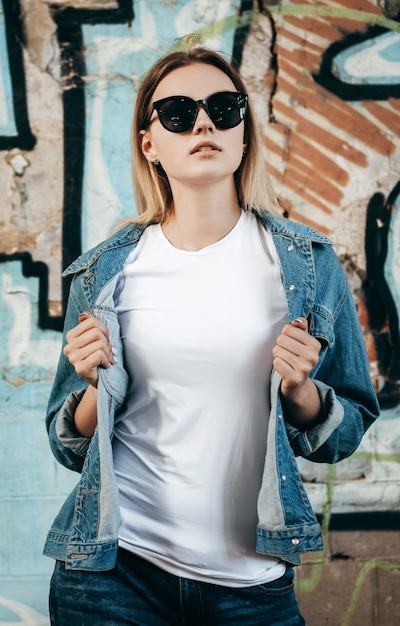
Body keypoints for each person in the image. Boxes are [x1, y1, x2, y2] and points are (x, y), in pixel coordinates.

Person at [44, 42, 379, 626]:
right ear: (149, 143)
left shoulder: (306, 265)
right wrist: (95, 386)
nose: (204, 122)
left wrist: (302, 394)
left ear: (244, 133)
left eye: (224, 108)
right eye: (178, 113)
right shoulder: (101, 273)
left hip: (250, 584)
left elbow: (344, 433)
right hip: (114, 576)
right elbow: (67, 443)